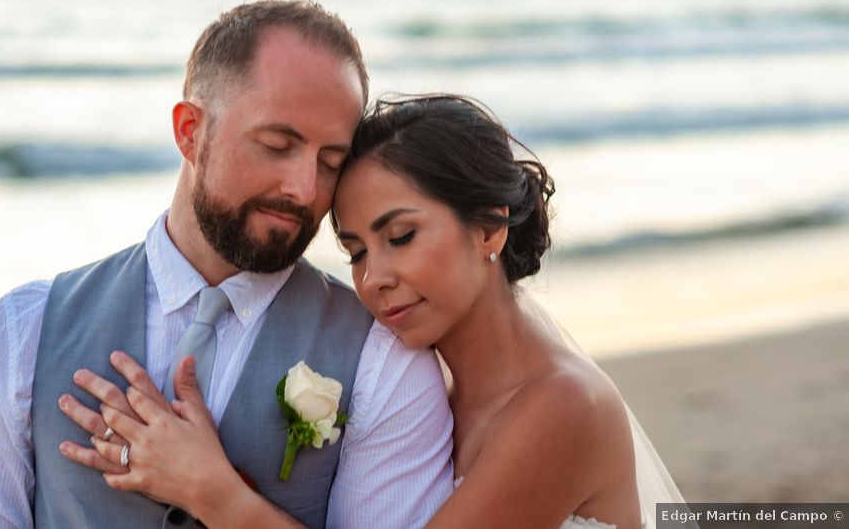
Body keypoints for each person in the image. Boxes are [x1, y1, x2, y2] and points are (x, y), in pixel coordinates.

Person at [0, 1, 454, 529]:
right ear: (189, 132)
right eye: (277, 145)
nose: (304, 188)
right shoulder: (21, 334)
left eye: (330, 162)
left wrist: (216, 495)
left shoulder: (383, 360)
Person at [63, 95, 688, 528]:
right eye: (356, 251)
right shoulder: (430, 382)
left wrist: (211, 490)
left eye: (401, 236)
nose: (373, 280)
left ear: (490, 228)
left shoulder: (561, 406)